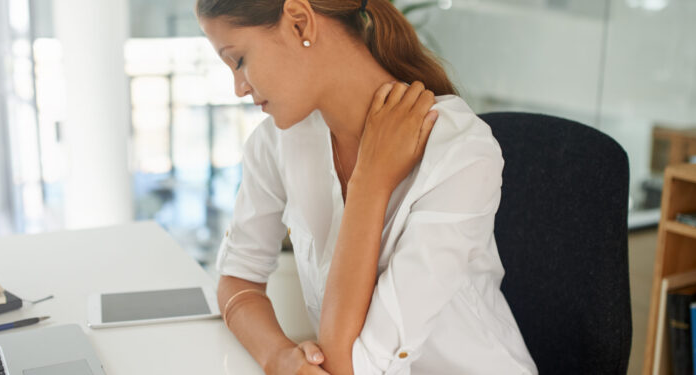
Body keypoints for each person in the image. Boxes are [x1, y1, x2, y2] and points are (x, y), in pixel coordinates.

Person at [196, 0, 537, 373]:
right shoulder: (277, 142)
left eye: (239, 59)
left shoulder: (458, 151)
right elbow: (238, 278)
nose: (239, 88)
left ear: (299, 24)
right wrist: (279, 357)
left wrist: (370, 183)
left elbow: (352, 365)